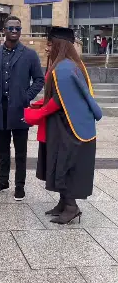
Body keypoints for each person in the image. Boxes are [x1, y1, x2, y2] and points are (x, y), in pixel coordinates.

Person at [24, 26, 102, 225]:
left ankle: (71, 206)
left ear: (59, 45)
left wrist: (36, 114)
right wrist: (40, 104)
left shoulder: (65, 68)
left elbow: (59, 102)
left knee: (64, 165)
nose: (47, 49)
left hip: (68, 128)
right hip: (63, 124)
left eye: (50, 45)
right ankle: (62, 202)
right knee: (57, 163)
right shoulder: (68, 64)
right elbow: (60, 96)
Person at [0, 16, 44, 200]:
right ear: (4, 30)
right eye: (11, 28)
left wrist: (26, 96)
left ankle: (20, 185)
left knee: (21, 151)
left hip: (19, 110)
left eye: (17, 29)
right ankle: (3, 181)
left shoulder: (29, 54)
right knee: (2, 149)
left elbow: (39, 79)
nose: (14, 31)